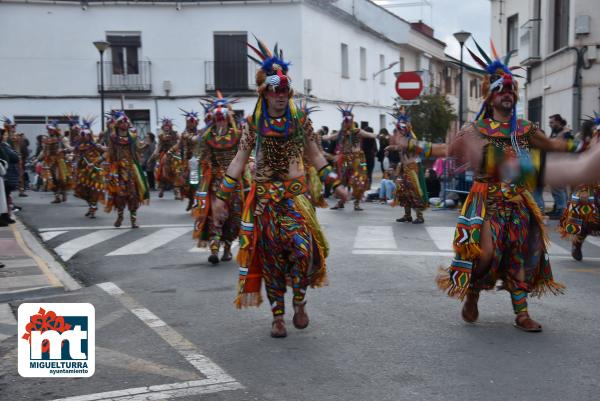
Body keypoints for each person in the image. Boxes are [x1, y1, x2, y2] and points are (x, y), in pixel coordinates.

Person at [398, 39, 590, 332]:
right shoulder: (473, 129)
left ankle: (521, 313)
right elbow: (447, 150)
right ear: (489, 96)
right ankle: (473, 292)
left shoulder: (525, 129)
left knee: (521, 255)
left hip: (518, 202)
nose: (508, 95)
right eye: (501, 90)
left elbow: (552, 144)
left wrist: (581, 145)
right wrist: (413, 144)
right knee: (485, 254)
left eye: (511, 90)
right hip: (485, 201)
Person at [212, 37, 348, 338]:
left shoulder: (300, 121)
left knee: (301, 250)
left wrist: (334, 183)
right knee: (272, 261)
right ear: (265, 93)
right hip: (264, 201)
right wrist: (221, 197)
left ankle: (299, 299)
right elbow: (238, 161)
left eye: (285, 90)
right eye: (276, 91)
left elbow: (314, 154)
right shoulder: (254, 124)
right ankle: (277, 316)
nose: (281, 96)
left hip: (294, 198)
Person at [192, 92, 243, 265]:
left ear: (228, 118)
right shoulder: (208, 137)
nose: (221, 121)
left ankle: (227, 248)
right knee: (215, 213)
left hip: (235, 181)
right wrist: (207, 169)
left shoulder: (238, 134)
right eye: (218, 118)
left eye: (223, 118)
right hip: (215, 181)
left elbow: (244, 155)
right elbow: (204, 157)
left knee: (234, 215)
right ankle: (214, 247)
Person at [559, 116, 600, 261]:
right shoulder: (583, 146)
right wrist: (582, 189)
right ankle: (577, 244)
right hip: (588, 189)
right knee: (586, 222)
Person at [323, 106, 377, 211]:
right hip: (345, 159)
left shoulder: (357, 131)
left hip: (358, 159)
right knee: (342, 180)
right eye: (345, 120)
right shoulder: (341, 133)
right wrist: (321, 137)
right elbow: (331, 137)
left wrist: (380, 136)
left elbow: (369, 135)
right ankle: (341, 202)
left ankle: (357, 203)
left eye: (348, 120)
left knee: (358, 180)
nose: (346, 122)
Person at [104, 111, 150, 228]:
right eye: (122, 122)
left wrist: (145, 145)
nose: (125, 124)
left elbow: (138, 149)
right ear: (118, 124)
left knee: (133, 195)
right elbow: (110, 152)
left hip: (131, 169)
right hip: (118, 170)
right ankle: (120, 216)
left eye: (126, 122)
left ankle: (133, 219)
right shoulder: (113, 137)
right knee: (119, 195)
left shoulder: (132, 136)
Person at [387, 108, 428, 224]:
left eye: (402, 128)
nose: (401, 130)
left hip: (412, 168)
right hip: (404, 168)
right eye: (399, 128)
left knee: (414, 192)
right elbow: (399, 147)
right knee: (403, 191)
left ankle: (420, 216)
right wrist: (390, 147)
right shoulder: (402, 138)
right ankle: (407, 215)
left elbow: (413, 147)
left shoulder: (412, 139)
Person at [72, 119, 105, 218]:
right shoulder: (79, 146)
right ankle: (91, 206)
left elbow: (104, 152)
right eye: (82, 134)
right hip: (83, 171)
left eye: (86, 134)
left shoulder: (95, 145)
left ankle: (93, 209)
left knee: (94, 190)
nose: (84, 136)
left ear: (89, 135)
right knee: (83, 191)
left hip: (95, 171)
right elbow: (74, 154)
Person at [37, 121, 73, 203]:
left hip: (60, 161)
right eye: (49, 129)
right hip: (49, 162)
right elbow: (43, 151)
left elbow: (69, 148)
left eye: (51, 129)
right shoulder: (46, 140)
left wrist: (66, 150)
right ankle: (57, 197)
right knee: (51, 179)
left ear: (55, 129)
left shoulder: (62, 138)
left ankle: (63, 192)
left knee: (61, 178)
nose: (50, 131)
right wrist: (37, 159)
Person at [547, 114, 573, 219]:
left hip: (561, 163)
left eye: (552, 122)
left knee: (558, 188)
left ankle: (561, 211)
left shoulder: (566, 133)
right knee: (556, 188)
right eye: (550, 122)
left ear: (558, 122)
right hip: (554, 163)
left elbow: (569, 148)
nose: (550, 124)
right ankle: (559, 208)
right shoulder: (555, 132)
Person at [178, 109, 201, 211]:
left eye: (193, 122)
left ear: (196, 123)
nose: (191, 124)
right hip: (188, 162)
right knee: (186, 184)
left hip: (198, 161)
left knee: (196, 183)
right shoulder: (184, 134)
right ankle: (190, 199)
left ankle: (195, 201)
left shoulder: (200, 132)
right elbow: (182, 143)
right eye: (189, 122)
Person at [153, 118, 179, 199]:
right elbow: (160, 144)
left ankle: (176, 191)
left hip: (174, 153)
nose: (166, 127)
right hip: (164, 153)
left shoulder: (175, 133)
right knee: (160, 167)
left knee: (177, 169)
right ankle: (161, 189)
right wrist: (155, 153)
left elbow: (180, 141)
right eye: (165, 125)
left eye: (168, 125)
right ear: (163, 126)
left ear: (170, 126)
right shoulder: (160, 133)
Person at [361, 126, 377, 190]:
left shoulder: (362, 140)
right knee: (369, 173)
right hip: (371, 159)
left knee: (363, 172)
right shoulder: (373, 139)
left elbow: (361, 149)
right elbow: (376, 149)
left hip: (363, 160)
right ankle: (368, 187)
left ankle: (363, 186)